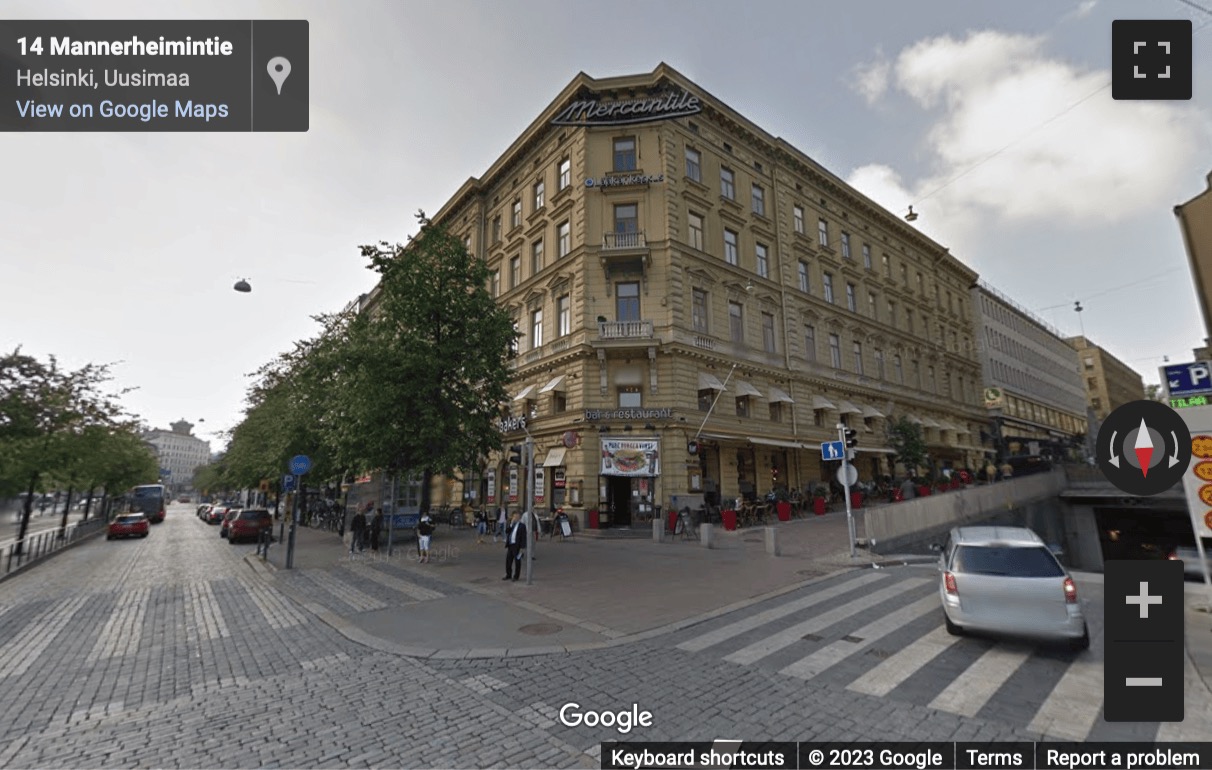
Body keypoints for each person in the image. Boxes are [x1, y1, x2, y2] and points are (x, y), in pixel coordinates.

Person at [503, 512, 525, 581]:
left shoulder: (522, 526)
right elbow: (507, 531)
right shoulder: (512, 525)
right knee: (508, 561)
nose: (515, 518)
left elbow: (523, 537)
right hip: (510, 545)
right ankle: (508, 574)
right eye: (514, 517)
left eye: (517, 517)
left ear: (519, 518)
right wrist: (511, 524)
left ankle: (516, 576)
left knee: (517, 561)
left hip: (517, 546)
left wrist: (522, 547)